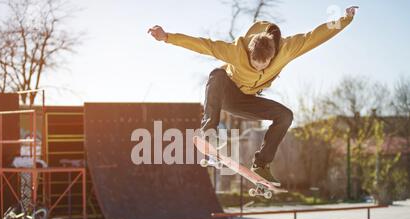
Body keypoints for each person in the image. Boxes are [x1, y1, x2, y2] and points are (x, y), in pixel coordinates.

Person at [148, 6, 358, 187]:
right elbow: (204, 45)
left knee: (285, 115)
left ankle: (261, 165)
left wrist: (345, 19)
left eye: (263, 65)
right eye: (253, 63)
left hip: (248, 101)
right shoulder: (236, 51)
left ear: (272, 54)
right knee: (217, 74)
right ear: (249, 51)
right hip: (227, 93)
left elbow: (316, 35)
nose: (258, 68)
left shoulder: (288, 48)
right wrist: (167, 37)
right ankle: (208, 133)